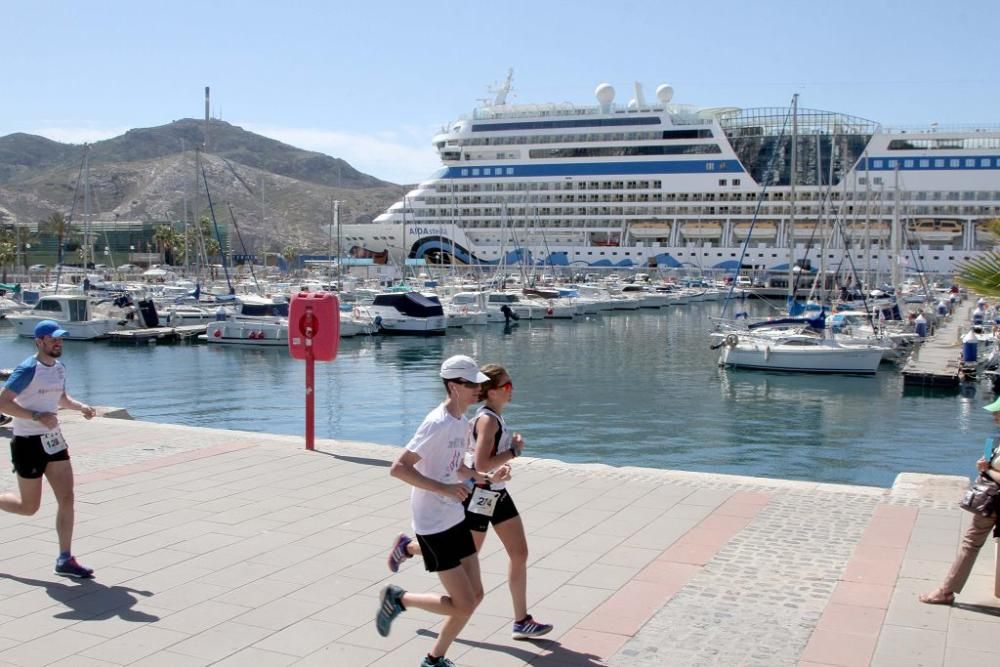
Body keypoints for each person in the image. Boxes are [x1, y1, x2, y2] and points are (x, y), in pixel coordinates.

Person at [388, 364, 553, 640]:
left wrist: (491, 475)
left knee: (519, 553)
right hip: (481, 497)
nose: (512, 391)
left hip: (494, 491)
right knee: (466, 558)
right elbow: (480, 461)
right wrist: (512, 452)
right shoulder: (483, 420)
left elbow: (474, 466)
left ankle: (521, 620)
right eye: (507, 387)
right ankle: (409, 552)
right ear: (492, 391)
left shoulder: (479, 419)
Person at [376, 355, 492, 667]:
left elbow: (455, 468)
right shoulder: (437, 423)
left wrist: (477, 476)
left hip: (454, 516)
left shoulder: (461, 422)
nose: (479, 389)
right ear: (454, 386)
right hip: (432, 525)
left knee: (475, 597)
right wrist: (444, 489)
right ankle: (399, 599)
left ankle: (434, 658)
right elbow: (399, 469)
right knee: (464, 603)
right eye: (472, 384)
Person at [0, 320, 97, 578]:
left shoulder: (60, 368)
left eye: (61, 339)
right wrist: (36, 416)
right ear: (39, 341)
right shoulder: (28, 369)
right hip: (27, 443)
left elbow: (61, 398)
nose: (58, 343)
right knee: (28, 507)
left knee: (67, 498)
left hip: (54, 442)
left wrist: (81, 407)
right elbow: (3, 403)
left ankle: (65, 559)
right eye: (53, 339)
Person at [919, 396, 1000, 605]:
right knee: (971, 543)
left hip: (993, 503)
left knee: (970, 543)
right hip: (992, 502)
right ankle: (946, 590)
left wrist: (988, 470)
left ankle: (946, 591)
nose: (993, 418)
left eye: (996, 413)